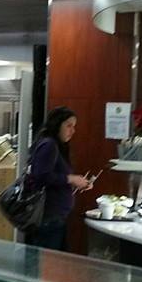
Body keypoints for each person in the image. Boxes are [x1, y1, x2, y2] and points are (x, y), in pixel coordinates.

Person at [24, 106, 94, 251]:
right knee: (46, 259)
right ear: (57, 124)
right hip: (48, 217)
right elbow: (42, 176)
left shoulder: (57, 146)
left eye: (74, 127)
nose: (72, 131)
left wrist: (76, 182)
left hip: (56, 217)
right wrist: (70, 179)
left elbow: (55, 177)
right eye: (68, 126)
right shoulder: (49, 145)